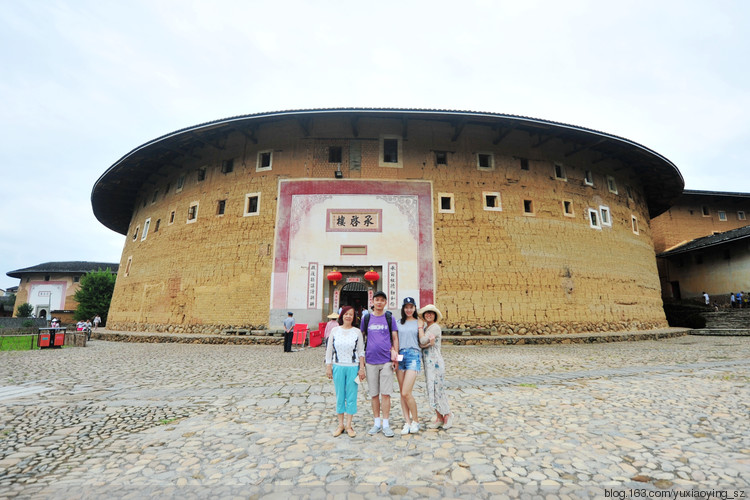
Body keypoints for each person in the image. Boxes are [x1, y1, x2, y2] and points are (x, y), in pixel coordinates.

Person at [361, 291, 399, 438]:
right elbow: (361, 337)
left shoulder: (390, 318)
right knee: (374, 394)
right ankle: (376, 422)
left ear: (385, 303)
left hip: (386, 361)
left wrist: (395, 358)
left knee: (386, 394)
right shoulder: (367, 318)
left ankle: (386, 423)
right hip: (370, 361)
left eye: (382, 300)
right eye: (377, 300)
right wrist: (361, 363)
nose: (379, 302)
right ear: (373, 301)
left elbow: (395, 338)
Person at [325, 306, 366, 437]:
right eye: (346, 314)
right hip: (338, 366)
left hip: (353, 367)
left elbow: (361, 351)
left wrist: (361, 368)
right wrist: (328, 366)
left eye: (351, 314)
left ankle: (349, 425)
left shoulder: (357, 332)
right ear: (341, 315)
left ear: (354, 317)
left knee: (352, 395)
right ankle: (340, 424)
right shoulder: (335, 331)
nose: (348, 316)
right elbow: (329, 349)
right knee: (340, 395)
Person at [418, 304, 455, 429]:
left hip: (436, 364)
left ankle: (448, 414)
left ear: (434, 316)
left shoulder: (435, 327)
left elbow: (422, 341)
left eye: (431, 313)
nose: (428, 315)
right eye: (426, 313)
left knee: (438, 389)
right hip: (428, 364)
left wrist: (419, 329)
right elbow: (422, 343)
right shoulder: (426, 327)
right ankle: (439, 416)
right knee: (431, 390)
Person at [396, 297, 423, 435]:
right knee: (402, 393)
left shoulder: (419, 322)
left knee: (407, 392)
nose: (408, 309)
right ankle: (407, 422)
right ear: (403, 308)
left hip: (413, 356)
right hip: (400, 356)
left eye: (411, 307)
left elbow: (423, 340)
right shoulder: (398, 323)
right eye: (406, 307)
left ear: (414, 308)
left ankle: (416, 421)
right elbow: (394, 340)